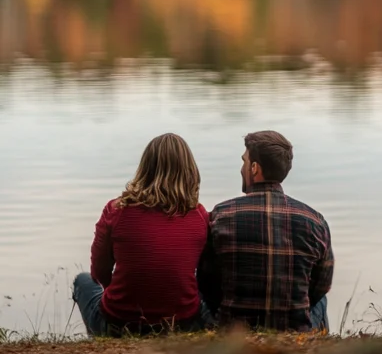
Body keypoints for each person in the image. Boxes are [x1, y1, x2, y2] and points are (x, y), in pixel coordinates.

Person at [72, 133, 210, 337]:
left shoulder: (116, 210)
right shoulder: (199, 215)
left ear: (145, 168)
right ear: (190, 172)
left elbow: (99, 272)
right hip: (182, 323)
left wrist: (127, 292)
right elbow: (204, 272)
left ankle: (99, 338)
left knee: (82, 281)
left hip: (118, 322)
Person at [198, 130, 334, 332]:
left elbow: (207, 281)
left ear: (254, 168)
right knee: (321, 300)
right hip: (293, 329)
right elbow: (321, 285)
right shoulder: (314, 220)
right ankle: (318, 349)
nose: (241, 168)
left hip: (234, 329)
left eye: (244, 161)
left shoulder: (221, 214)